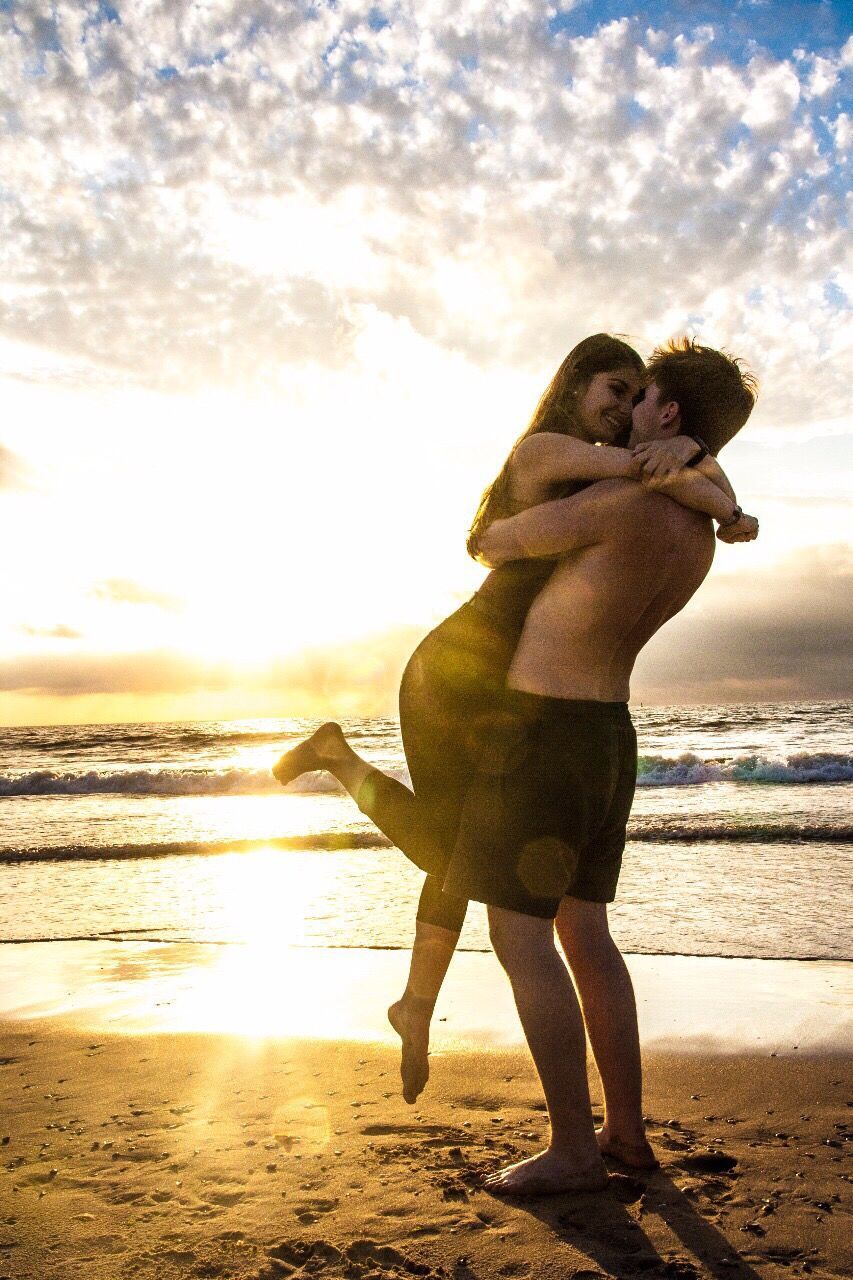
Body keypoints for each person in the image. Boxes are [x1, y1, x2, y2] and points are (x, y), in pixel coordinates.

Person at [273, 336, 756, 1127]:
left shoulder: (613, 504)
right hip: (609, 735)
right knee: (585, 933)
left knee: (519, 936)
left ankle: (571, 1144)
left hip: (542, 732)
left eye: (641, 397)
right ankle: (625, 1135)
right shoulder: (696, 536)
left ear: (665, 412)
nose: (627, 409)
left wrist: (690, 471)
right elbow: (671, 492)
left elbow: (491, 544)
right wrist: (722, 497)